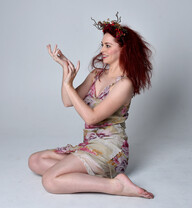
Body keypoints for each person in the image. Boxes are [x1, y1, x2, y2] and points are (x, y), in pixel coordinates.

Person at [28, 12, 154, 198]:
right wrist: (66, 71)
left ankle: (117, 186)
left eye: (107, 45)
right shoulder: (96, 74)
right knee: (36, 161)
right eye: (102, 44)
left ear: (123, 50)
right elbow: (68, 101)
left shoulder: (124, 84)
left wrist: (67, 85)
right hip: (90, 145)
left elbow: (91, 117)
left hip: (110, 151)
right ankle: (79, 175)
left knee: (50, 181)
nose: (102, 49)